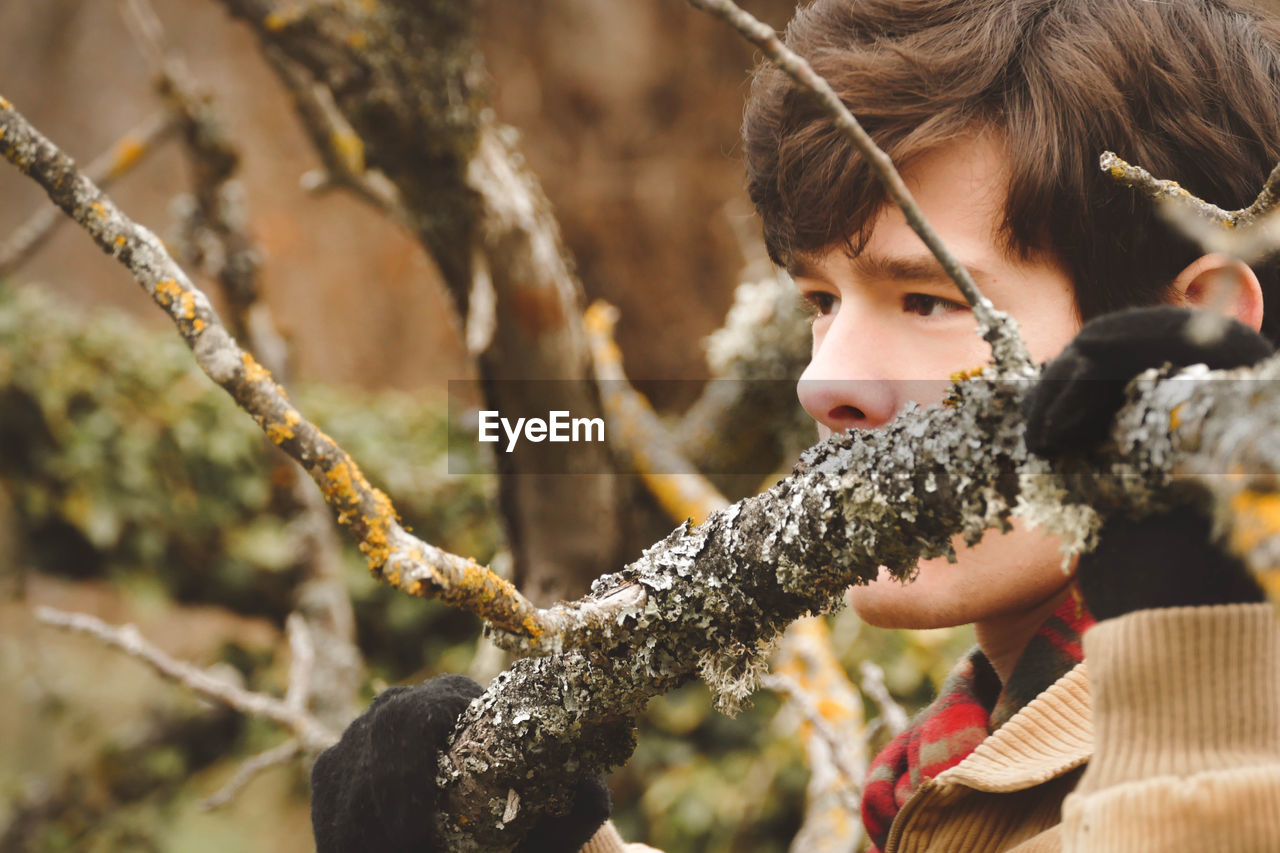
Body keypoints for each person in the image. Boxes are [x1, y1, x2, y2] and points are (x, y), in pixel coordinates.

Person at [310, 0, 1280, 850]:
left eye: (927, 300)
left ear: (1193, 336)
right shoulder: (958, 756)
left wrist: (1200, 656)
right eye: (819, 299)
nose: (822, 381)